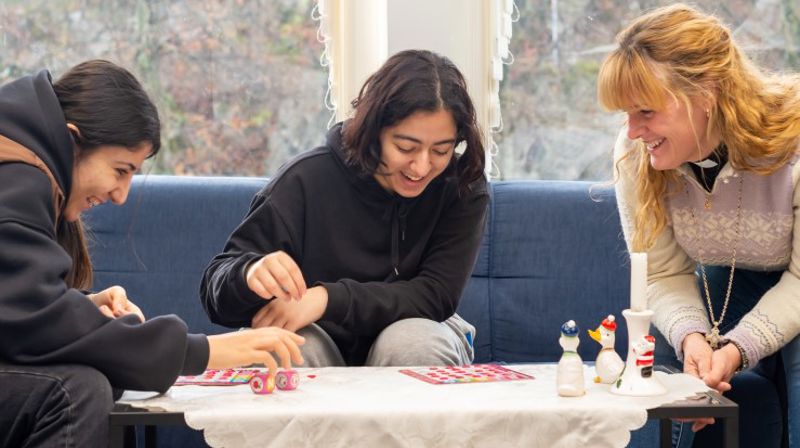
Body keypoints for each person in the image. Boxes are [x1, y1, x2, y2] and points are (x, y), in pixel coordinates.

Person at [0, 60, 305, 447]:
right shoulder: (18, 177)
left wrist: (81, 305)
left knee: (95, 376)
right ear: (73, 140)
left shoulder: (22, 162)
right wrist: (202, 351)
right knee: (76, 391)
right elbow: (34, 318)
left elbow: (17, 307)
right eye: (120, 170)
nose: (121, 196)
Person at [201, 49, 488, 368]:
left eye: (441, 151)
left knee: (412, 344)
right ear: (374, 130)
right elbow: (217, 294)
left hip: (420, 328)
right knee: (285, 348)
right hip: (317, 333)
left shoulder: (462, 186)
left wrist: (326, 299)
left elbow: (435, 295)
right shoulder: (306, 179)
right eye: (405, 147)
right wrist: (249, 273)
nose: (421, 167)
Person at [597, 3, 800, 447]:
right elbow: (663, 274)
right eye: (625, 113)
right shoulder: (634, 156)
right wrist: (694, 341)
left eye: (645, 111)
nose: (632, 131)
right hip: (722, 287)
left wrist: (738, 348)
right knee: (662, 366)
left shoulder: (795, 142)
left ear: (706, 92)